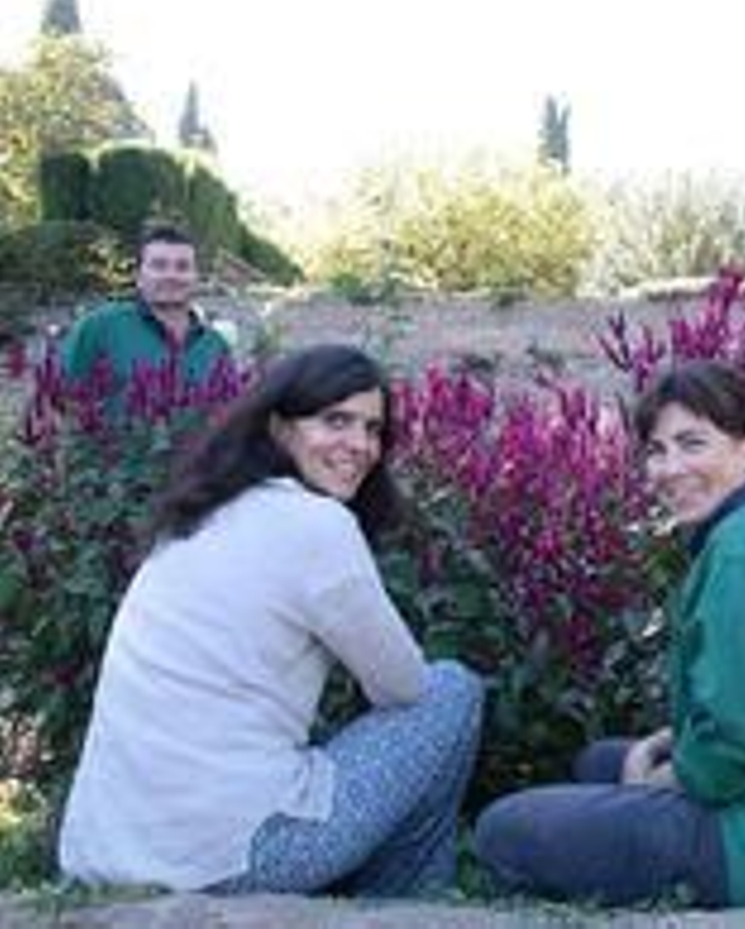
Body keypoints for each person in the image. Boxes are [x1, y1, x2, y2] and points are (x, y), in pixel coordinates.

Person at [473, 360, 745, 910]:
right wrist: (663, 748)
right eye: (656, 450)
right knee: (600, 762)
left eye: (692, 444)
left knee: (503, 831)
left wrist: (646, 788)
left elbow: (734, 748)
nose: (669, 468)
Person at [58, 344, 484, 896]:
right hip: (238, 857)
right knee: (451, 690)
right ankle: (404, 905)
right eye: (336, 421)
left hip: (103, 851)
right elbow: (403, 687)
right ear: (281, 428)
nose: (359, 445)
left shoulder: (199, 514)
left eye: (373, 429)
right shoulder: (316, 525)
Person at [60, 223, 234, 398]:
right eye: (159, 266)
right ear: (139, 277)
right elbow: (55, 400)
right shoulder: (99, 328)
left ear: (196, 278)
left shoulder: (216, 346)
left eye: (182, 267)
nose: (171, 275)